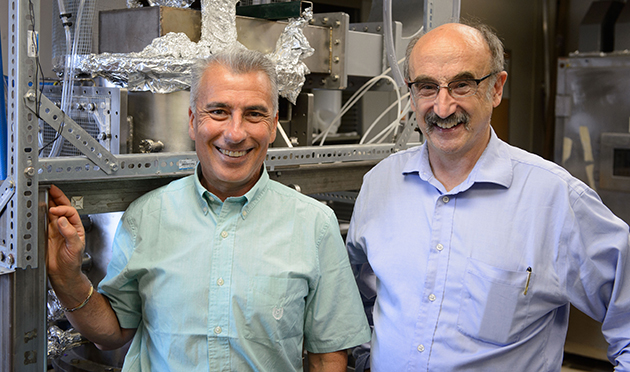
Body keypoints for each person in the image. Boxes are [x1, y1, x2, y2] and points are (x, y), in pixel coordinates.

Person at [48, 48, 371, 371]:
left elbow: (327, 356)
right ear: (192, 121)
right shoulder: (146, 217)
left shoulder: (314, 225)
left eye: (254, 114)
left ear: (273, 126)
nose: (234, 133)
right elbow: (112, 333)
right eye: (218, 111)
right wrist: (67, 277)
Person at [346, 22, 630, 371]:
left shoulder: (555, 199)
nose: (443, 106)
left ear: (496, 89)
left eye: (462, 85)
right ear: (411, 93)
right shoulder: (380, 184)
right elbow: (351, 298)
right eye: (427, 87)